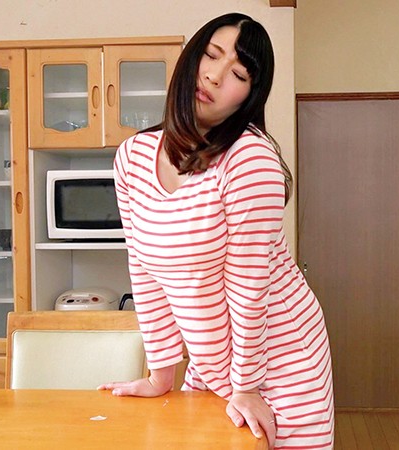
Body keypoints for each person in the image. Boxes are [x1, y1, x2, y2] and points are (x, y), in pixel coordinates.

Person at [98, 12, 334, 449]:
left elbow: (248, 284)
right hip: (212, 365)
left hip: (281, 365)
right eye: (210, 54)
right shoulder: (132, 157)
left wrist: (246, 386)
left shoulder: (250, 160)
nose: (214, 75)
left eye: (238, 74)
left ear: (248, 97)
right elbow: (144, 270)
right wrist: (160, 375)